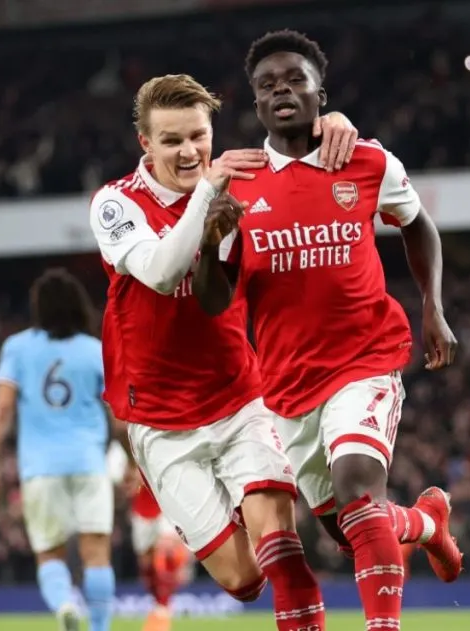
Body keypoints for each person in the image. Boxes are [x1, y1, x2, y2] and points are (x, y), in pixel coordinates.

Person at [192, 29, 464, 631]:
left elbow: (418, 226)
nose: (281, 90)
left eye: (294, 79)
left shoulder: (365, 160)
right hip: (287, 385)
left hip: (365, 360)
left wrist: (433, 306)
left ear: (321, 92)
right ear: (255, 104)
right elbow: (215, 301)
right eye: (267, 86)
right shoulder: (239, 184)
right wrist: (208, 248)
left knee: (359, 492)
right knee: (351, 531)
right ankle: (425, 524)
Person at [87, 73, 358, 631]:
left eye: (197, 136)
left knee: (282, 549)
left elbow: (216, 295)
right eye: (171, 140)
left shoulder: (239, 190)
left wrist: (330, 128)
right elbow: (163, 274)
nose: (188, 152)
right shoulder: (116, 204)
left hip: (240, 402)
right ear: (146, 144)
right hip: (160, 424)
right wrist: (208, 194)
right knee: (243, 581)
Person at [0, 267, 129, 631]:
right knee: (97, 553)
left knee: (50, 553)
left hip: (40, 468)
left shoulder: (17, 347)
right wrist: (133, 462)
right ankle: (99, 627)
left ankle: (64, 603)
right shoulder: (95, 350)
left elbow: (2, 410)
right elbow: (118, 417)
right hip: (89, 463)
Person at [106, 442, 188, 631]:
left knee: (167, 551)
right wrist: (130, 475)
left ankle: (163, 609)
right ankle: (159, 604)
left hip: (166, 502)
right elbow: (122, 480)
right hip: (141, 509)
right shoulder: (125, 444)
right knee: (146, 564)